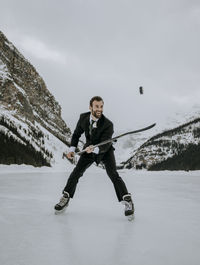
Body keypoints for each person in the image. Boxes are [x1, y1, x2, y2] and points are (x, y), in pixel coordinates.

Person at [54, 96, 134, 219]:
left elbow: (106, 143)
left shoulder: (108, 124)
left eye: (101, 106)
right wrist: (71, 149)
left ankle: (127, 201)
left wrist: (95, 149)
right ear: (90, 107)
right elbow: (76, 134)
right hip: (88, 150)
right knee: (76, 173)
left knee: (113, 174)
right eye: (97, 106)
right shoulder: (83, 118)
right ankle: (65, 197)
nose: (99, 109)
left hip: (105, 151)